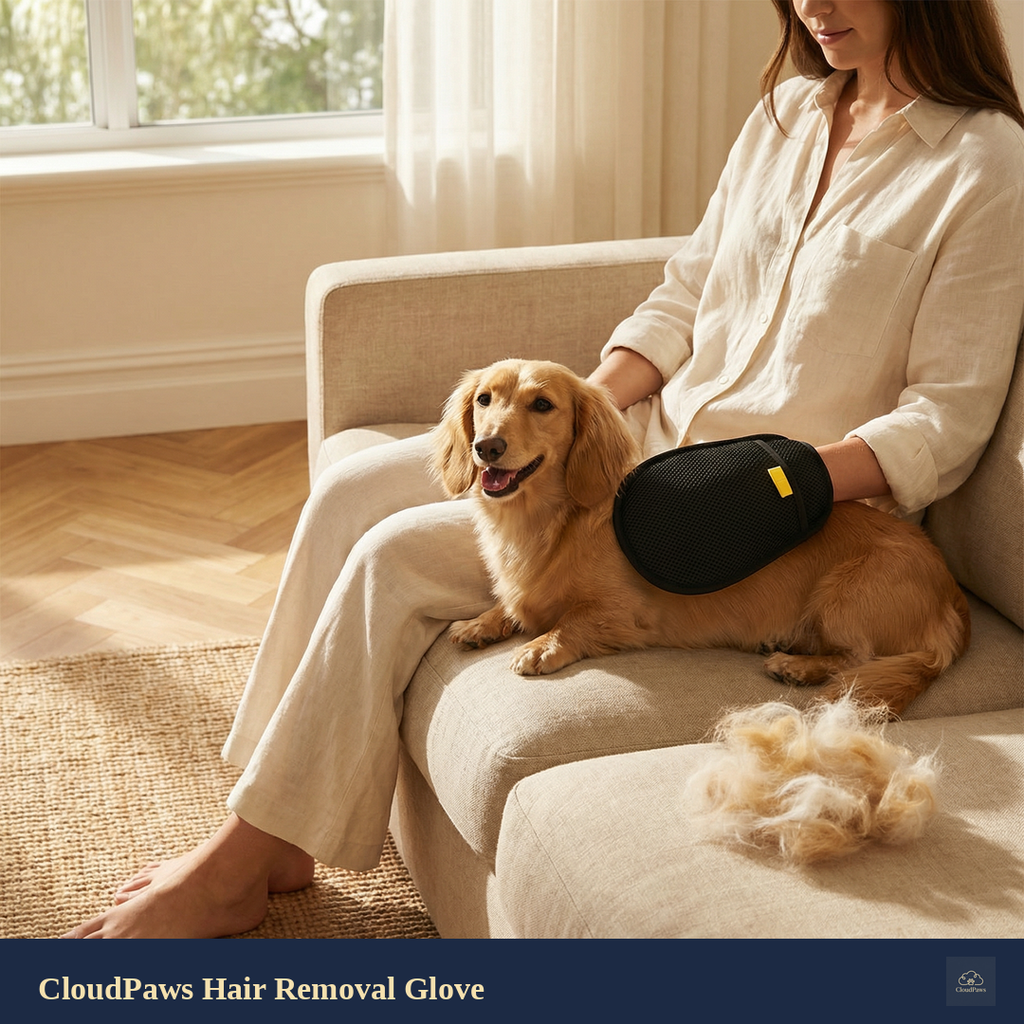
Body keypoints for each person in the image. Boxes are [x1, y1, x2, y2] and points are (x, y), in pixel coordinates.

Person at [63, 0, 1023, 938]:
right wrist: (580, 418)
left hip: (762, 514)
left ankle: (241, 862)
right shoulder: (789, 114)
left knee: (395, 559)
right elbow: (684, 296)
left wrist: (778, 483)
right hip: (646, 455)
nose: (811, 6)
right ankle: (266, 818)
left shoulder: (984, 161)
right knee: (355, 490)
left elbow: (948, 415)